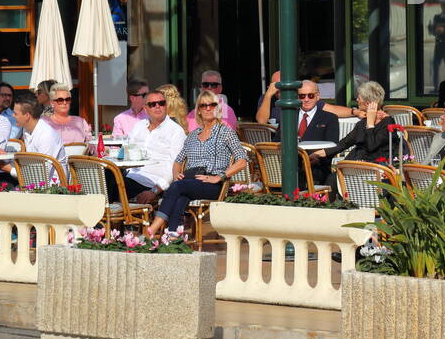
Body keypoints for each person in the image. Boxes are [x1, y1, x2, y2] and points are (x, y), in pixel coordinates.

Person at [146, 89, 249, 237]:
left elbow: (242, 160)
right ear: (198, 110)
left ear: (217, 108)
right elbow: (178, 160)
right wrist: (176, 174)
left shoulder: (226, 132)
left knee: (177, 188)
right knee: (180, 194)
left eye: (212, 105)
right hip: (190, 181)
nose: (208, 108)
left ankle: (153, 229)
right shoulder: (193, 135)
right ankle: (173, 234)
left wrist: (219, 177)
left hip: (212, 184)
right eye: (203, 105)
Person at [118, 88, 189, 205]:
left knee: (113, 187)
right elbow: (126, 151)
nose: (157, 106)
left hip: (152, 182)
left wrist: (154, 191)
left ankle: (109, 220)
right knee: (105, 177)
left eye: (161, 103)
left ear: (166, 106)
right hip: (131, 176)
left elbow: (175, 166)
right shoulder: (138, 126)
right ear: (145, 109)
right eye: (152, 104)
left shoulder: (175, 131)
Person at [312, 81, 395, 165]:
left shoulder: (387, 123)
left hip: (372, 170)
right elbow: (343, 144)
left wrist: (370, 124)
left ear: (367, 104)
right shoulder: (362, 123)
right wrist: (316, 154)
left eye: (359, 98)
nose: (357, 100)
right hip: (354, 167)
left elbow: (371, 146)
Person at [255, 70, 355, 124]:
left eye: (284, 86)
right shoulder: (267, 99)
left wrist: (354, 111)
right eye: (277, 86)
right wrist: (268, 95)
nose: (281, 90)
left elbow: (331, 109)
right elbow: (261, 121)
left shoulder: (299, 97)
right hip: (273, 144)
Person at [296, 79, 341, 191]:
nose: (306, 99)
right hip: (290, 167)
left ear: (318, 96)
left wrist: (316, 158)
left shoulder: (330, 118)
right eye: (302, 96)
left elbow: (332, 147)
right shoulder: (288, 116)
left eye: (310, 95)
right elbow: (276, 141)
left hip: (316, 168)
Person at [13, 93, 67, 166]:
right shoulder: (26, 129)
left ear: (27, 116)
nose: (13, 116)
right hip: (35, 174)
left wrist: (9, 169)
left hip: (51, 177)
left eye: (15, 114)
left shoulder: (46, 135)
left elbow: (43, 171)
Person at [43, 82, 92, 146]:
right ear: (52, 103)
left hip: (76, 155)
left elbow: (90, 145)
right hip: (50, 156)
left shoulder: (80, 122)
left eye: (67, 99)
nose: (65, 102)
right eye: (60, 100)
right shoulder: (44, 122)